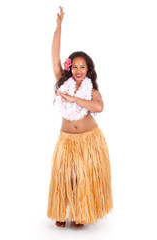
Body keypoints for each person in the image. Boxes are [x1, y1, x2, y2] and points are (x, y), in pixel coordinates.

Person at [47, 6, 113, 228]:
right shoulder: (61, 82)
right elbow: (54, 56)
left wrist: (74, 100)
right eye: (74, 66)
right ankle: (60, 208)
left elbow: (99, 107)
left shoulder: (92, 90)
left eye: (82, 66)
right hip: (67, 140)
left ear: (87, 69)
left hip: (89, 140)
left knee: (82, 177)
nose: (77, 69)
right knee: (67, 176)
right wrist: (58, 27)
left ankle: (78, 212)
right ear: (70, 68)